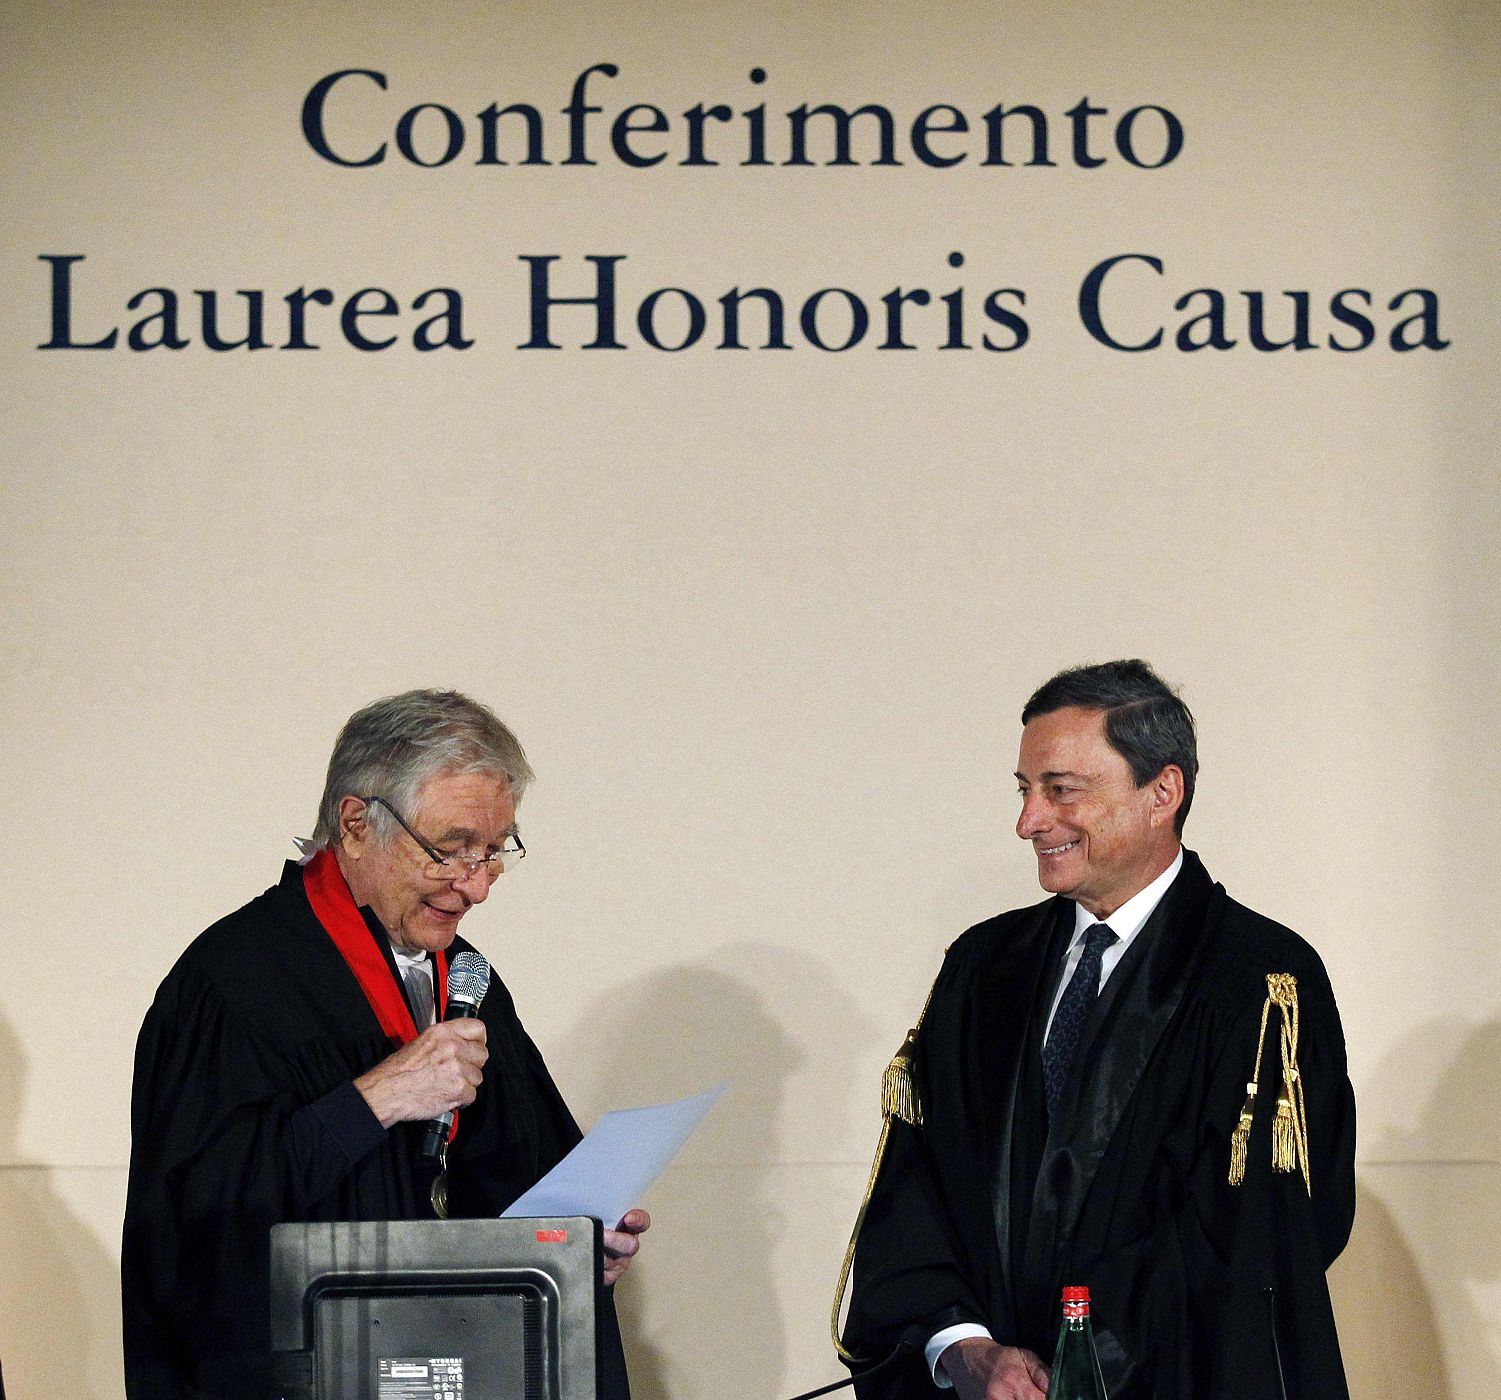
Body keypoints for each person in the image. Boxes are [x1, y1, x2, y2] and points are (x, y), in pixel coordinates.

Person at [840, 661, 1355, 1400]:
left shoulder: (1259, 979)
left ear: (1162, 793)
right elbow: (915, 1189)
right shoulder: (983, 968)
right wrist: (966, 1346)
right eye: (1025, 791)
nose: (1028, 822)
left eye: (1060, 790)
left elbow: (1262, 1233)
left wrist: (1084, 1360)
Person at [122, 689, 649, 1400]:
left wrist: (577, 1244)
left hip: (459, 1365)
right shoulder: (233, 983)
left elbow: (514, 1185)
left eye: (494, 852)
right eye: (450, 850)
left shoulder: (468, 984)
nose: (477, 887)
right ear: (355, 823)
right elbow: (190, 1225)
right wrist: (372, 1101)